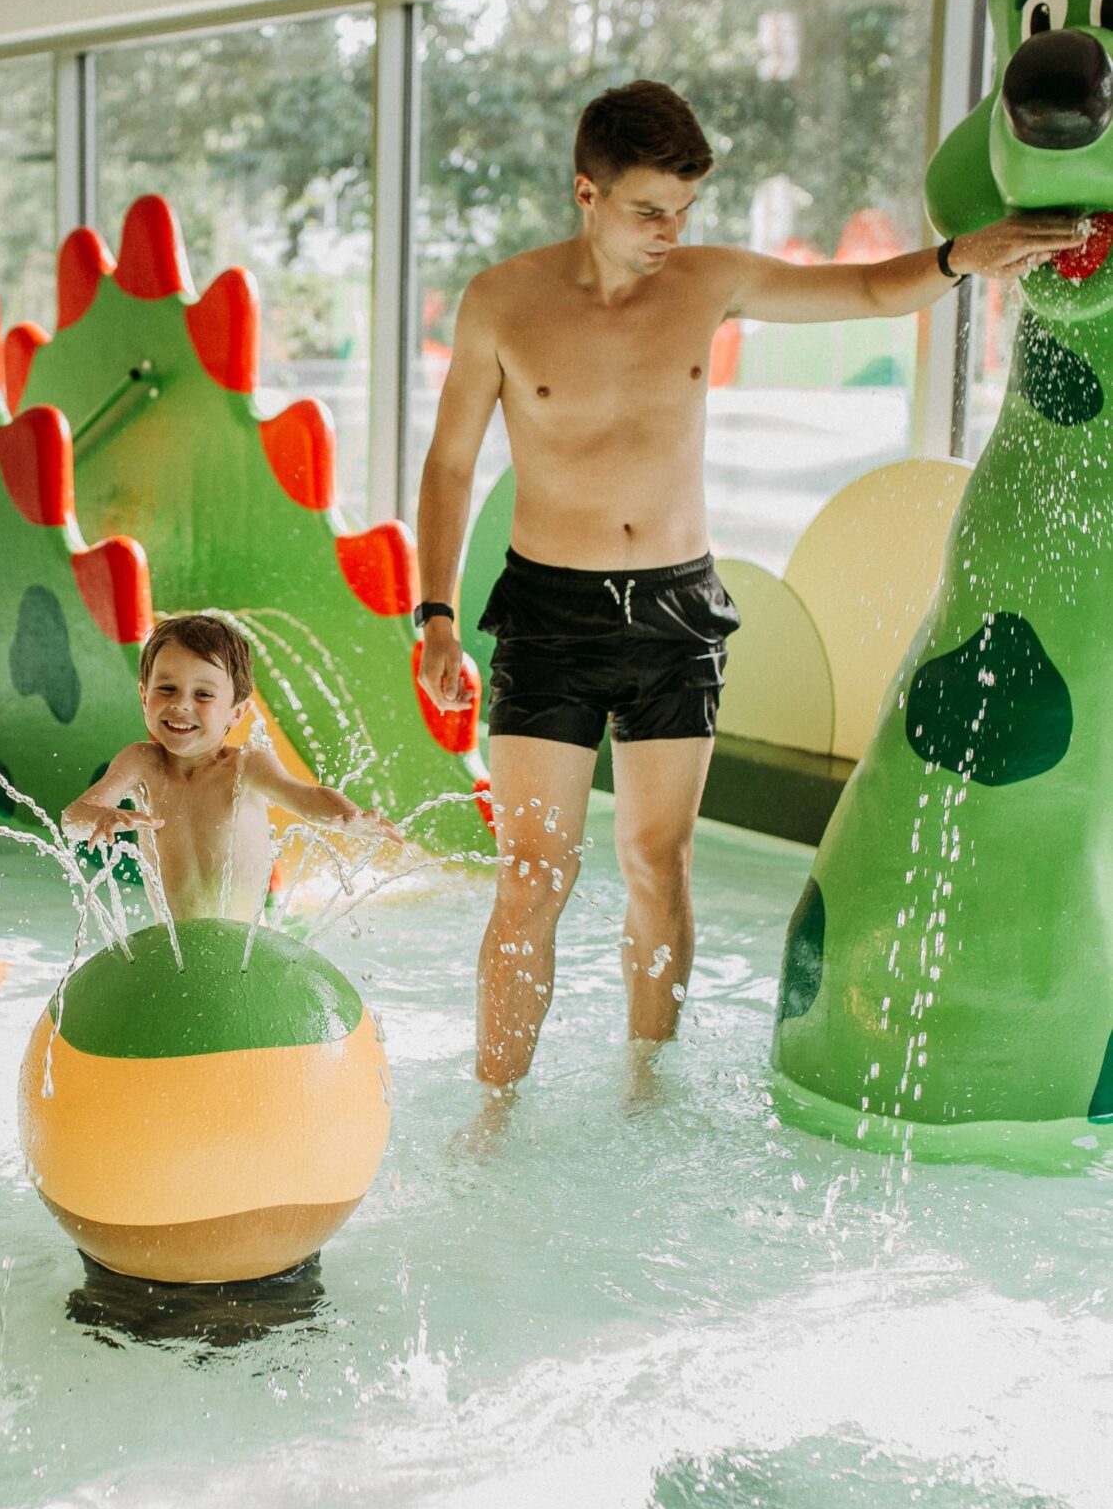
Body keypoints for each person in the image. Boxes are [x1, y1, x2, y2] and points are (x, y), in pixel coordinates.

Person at [414, 78, 1078, 1101]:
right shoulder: (501, 302)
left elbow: (864, 293)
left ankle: (648, 1093)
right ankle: (494, 1108)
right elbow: (451, 462)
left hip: (676, 614)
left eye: (684, 210)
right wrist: (436, 616)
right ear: (587, 193)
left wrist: (961, 257)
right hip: (550, 616)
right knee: (534, 874)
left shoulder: (707, 281)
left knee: (659, 863)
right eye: (648, 210)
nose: (669, 233)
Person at [64, 611, 399, 920]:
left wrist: (347, 816)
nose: (181, 704)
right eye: (166, 689)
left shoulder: (246, 767)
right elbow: (72, 818)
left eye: (203, 695)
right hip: (176, 945)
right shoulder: (142, 763)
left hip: (243, 946)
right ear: (143, 696)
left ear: (236, 713)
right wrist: (99, 817)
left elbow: (306, 797)